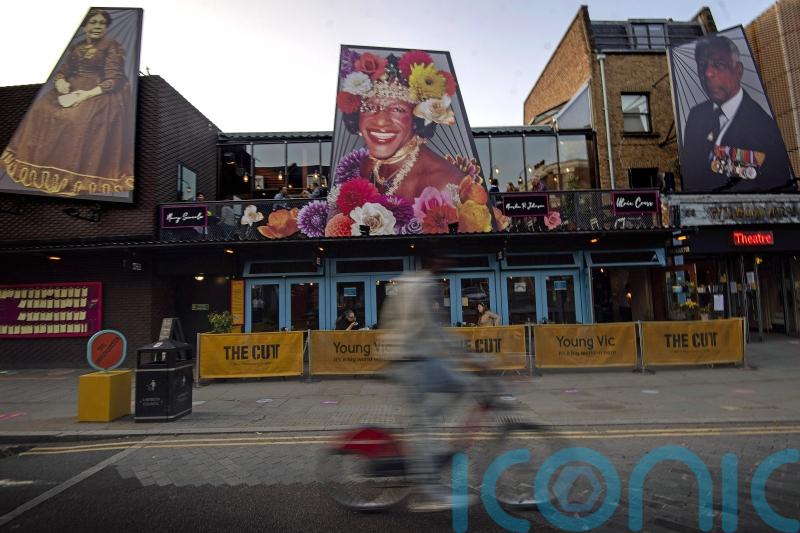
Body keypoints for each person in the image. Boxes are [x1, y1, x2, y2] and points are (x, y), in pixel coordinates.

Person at [0, 9, 134, 198]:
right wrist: (61, 82)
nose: (97, 26)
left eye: (101, 23)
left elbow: (114, 78)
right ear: (85, 26)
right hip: (73, 86)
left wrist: (85, 95)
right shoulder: (77, 46)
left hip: (99, 91)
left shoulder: (111, 46)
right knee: (40, 109)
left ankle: (70, 173)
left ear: (106, 27)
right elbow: (63, 70)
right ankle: (40, 165)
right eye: (93, 22)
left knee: (77, 118)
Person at [681, 34, 792, 192]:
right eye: (702, 65)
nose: (708, 73)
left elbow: (777, 183)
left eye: (718, 65)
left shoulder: (762, 125)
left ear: (738, 70)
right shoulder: (696, 116)